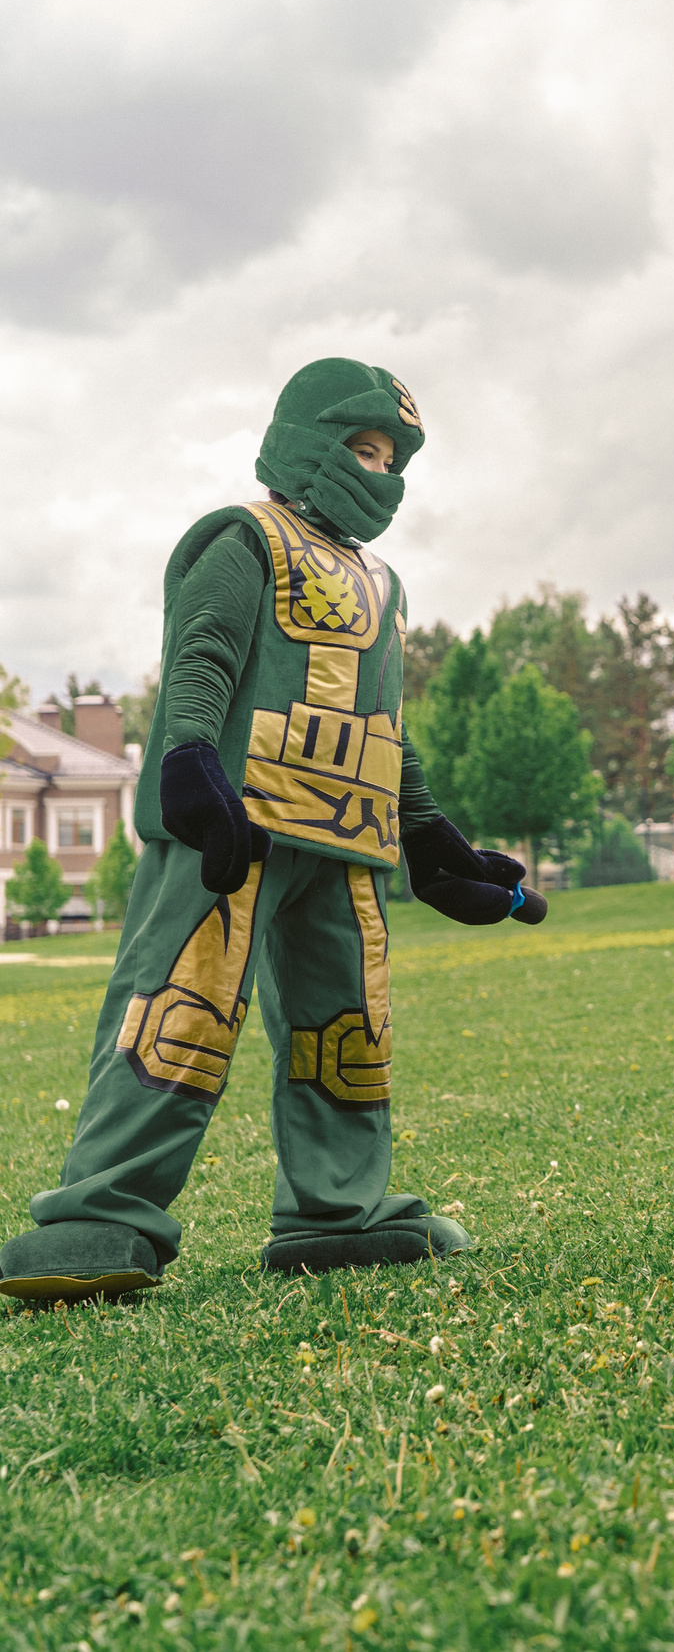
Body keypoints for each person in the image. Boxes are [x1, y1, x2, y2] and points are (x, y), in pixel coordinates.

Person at [0, 360, 541, 1306]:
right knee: (178, 1009)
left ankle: (337, 1209)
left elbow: (386, 716)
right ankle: (102, 1208)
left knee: (348, 1027)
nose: (377, 471)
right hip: (234, 824)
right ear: (305, 441)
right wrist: (189, 764)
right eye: (359, 447)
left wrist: (426, 834)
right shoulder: (244, 539)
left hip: (346, 839)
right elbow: (202, 654)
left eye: (391, 456)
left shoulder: (383, 581)